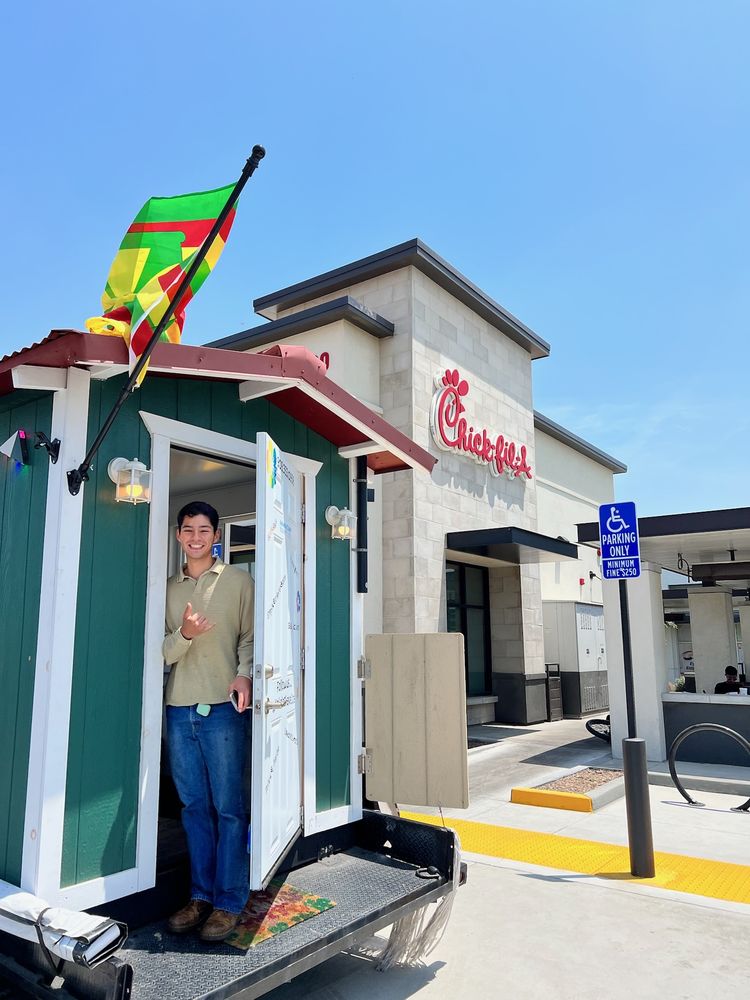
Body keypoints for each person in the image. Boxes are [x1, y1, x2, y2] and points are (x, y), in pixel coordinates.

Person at [162, 501, 254, 943]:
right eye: (188, 530)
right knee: (194, 808)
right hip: (180, 710)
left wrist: (245, 672)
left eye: (203, 530)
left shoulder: (239, 582)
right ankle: (199, 896)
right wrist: (185, 635)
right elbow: (163, 651)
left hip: (223, 709)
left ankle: (228, 902)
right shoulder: (168, 590)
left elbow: (252, 636)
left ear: (215, 535)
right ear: (178, 536)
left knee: (229, 809)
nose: (195, 537)